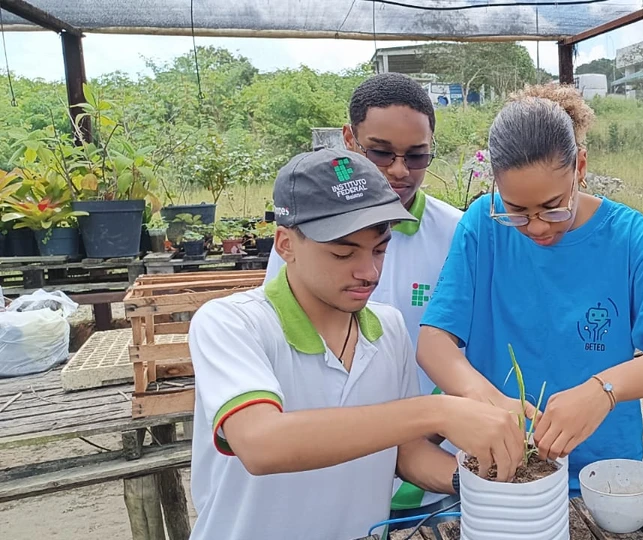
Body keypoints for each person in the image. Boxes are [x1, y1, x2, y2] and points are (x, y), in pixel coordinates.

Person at [189, 148, 526, 540]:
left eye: (380, 249)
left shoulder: (388, 328)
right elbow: (260, 443)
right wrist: (437, 410)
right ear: (285, 245)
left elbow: (404, 453)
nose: (369, 272)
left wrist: (486, 482)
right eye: (343, 253)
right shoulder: (233, 323)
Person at [416, 84, 643, 496]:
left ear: (581, 167)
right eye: (516, 211)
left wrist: (603, 390)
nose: (536, 226)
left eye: (553, 206)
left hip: (604, 481)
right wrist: (483, 397)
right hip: (504, 474)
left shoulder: (629, 237)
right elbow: (434, 343)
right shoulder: (482, 226)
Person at [263, 72, 466, 521]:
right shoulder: (299, 243)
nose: (398, 170)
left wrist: (463, 467)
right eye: (380, 152)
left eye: (416, 157)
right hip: (323, 464)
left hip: (427, 468)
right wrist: (429, 416)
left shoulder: (457, 235)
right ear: (349, 140)